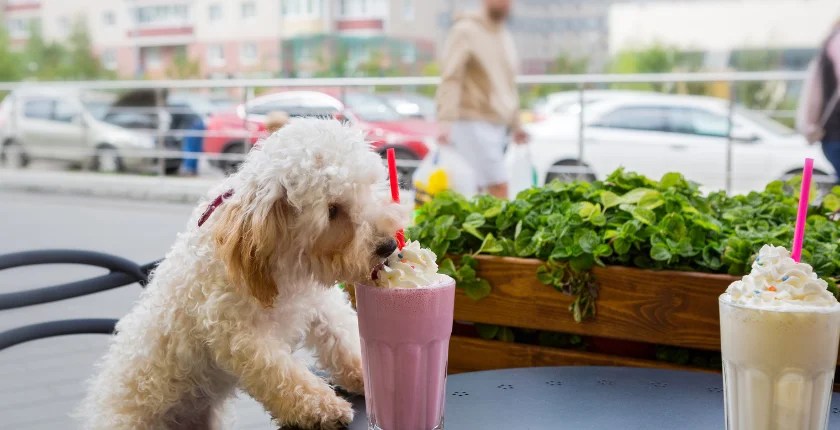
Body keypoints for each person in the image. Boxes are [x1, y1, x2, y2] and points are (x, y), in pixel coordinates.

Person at [436, 0, 528, 199]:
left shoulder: (504, 35)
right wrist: (445, 120)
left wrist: (516, 124)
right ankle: (503, 231)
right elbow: (451, 77)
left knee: (475, 193)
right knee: (498, 187)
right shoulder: (465, 31)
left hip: (497, 125)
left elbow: (509, 84)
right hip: (472, 122)